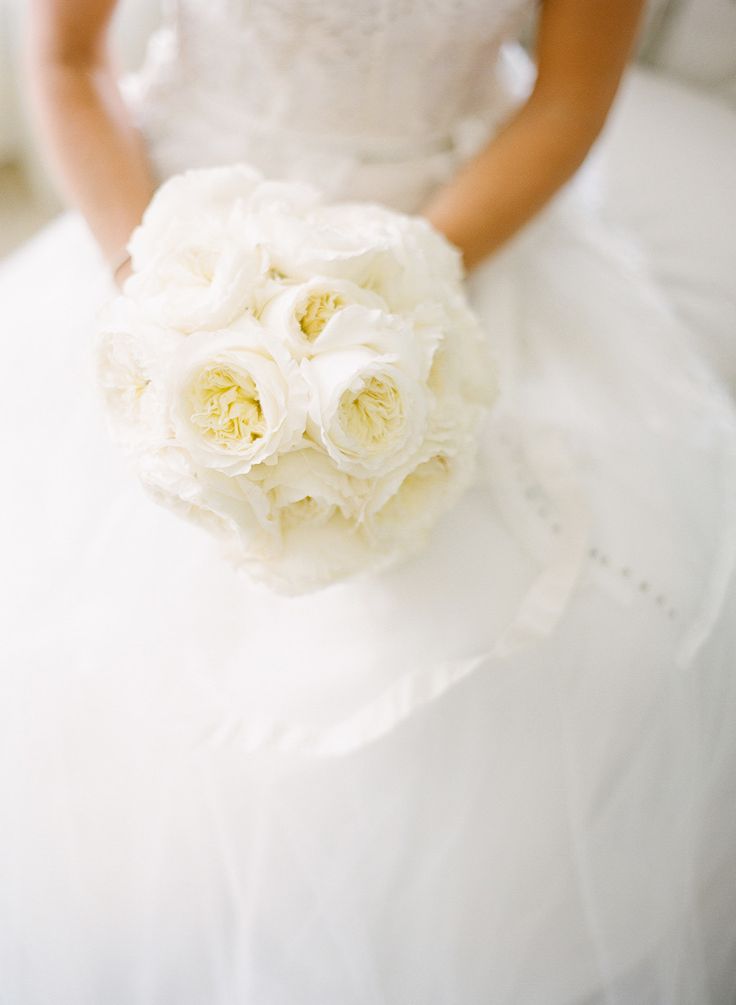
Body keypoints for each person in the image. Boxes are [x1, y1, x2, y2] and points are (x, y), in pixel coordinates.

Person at [1, 0, 735, 1001]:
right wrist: (172, 306)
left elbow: (569, 96)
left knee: (587, 651)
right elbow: (69, 59)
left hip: (463, 224)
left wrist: (387, 296)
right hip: (171, 230)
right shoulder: (159, 269)